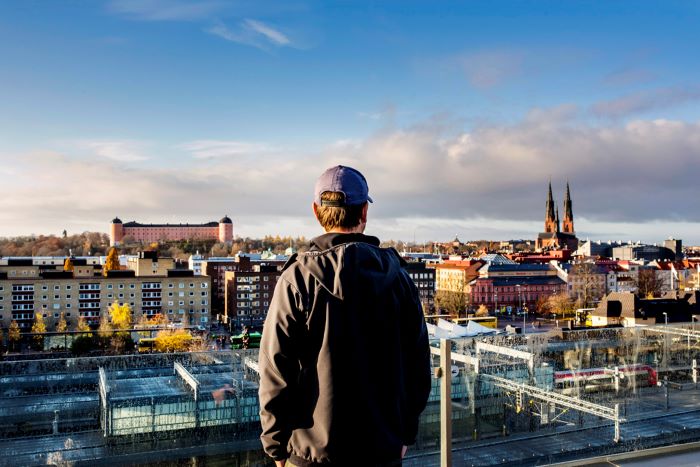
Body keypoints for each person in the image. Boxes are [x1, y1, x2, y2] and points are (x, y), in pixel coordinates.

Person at [258, 165, 431, 467]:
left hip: (310, 453)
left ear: (316, 211)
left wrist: (276, 447)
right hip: (382, 451)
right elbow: (418, 367)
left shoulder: (297, 278)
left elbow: (275, 369)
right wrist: (405, 435)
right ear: (364, 212)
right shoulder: (399, 279)